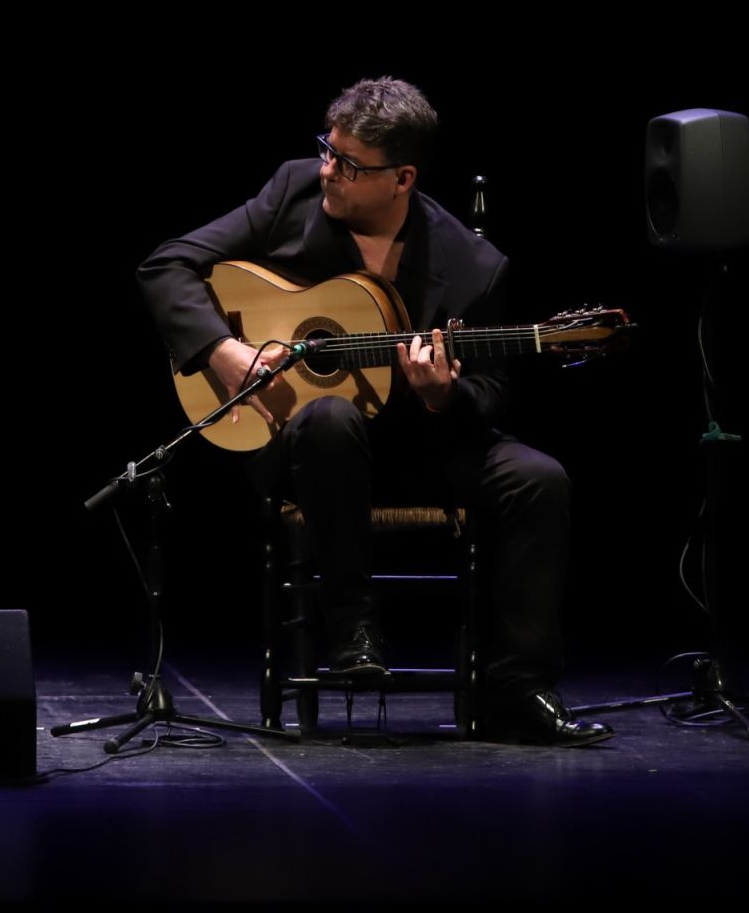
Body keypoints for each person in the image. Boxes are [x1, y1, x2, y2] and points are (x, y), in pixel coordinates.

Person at [136, 77, 610, 745]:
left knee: (540, 480)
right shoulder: (294, 191)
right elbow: (167, 266)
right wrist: (224, 351)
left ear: (402, 177)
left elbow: (492, 391)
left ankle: (517, 687)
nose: (329, 169)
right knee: (330, 417)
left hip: (426, 446)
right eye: (328, 151)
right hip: (310, 449)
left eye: (349, 164)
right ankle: (353, 628)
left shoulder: (473, 266)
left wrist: (444, 393)